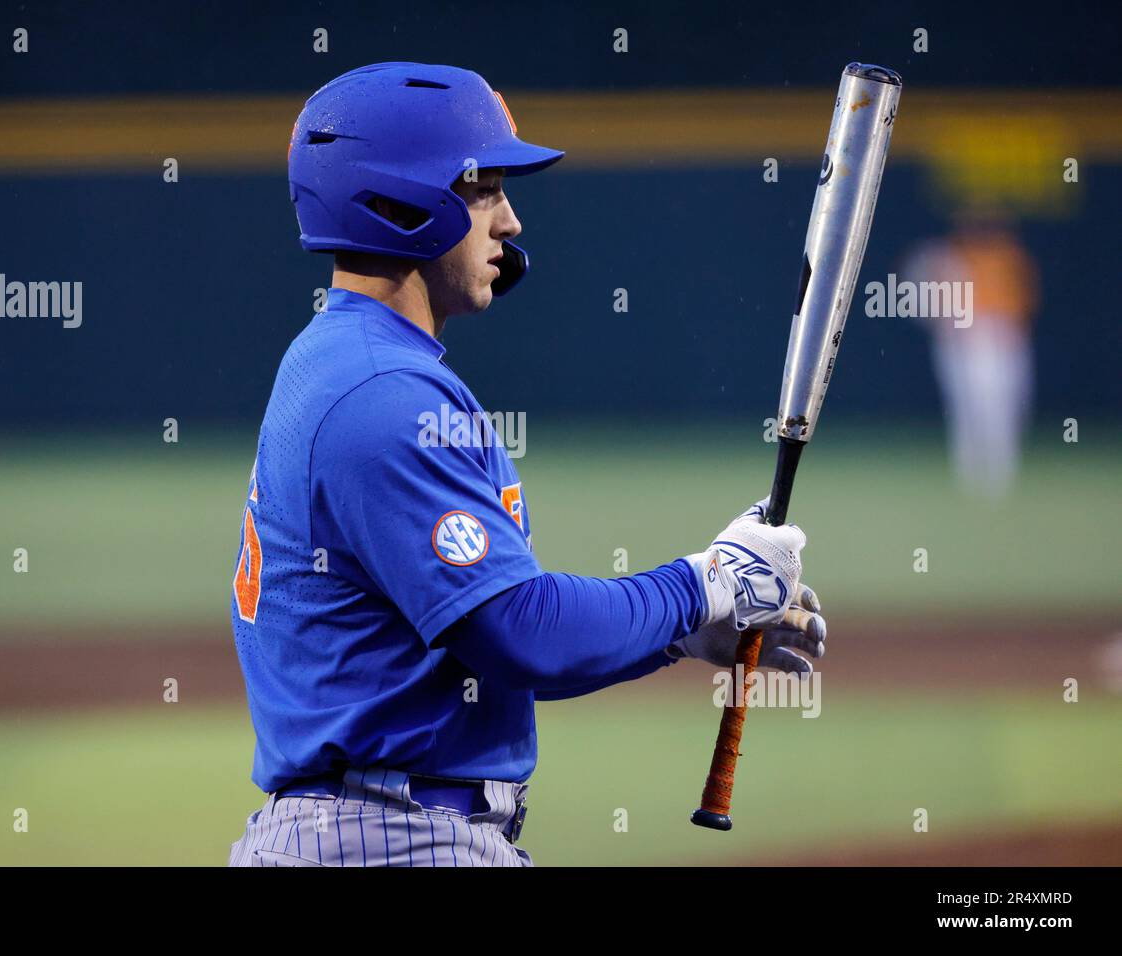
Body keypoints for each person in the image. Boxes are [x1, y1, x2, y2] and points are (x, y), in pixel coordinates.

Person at [226, 62, 826, 867]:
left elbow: (491, 640)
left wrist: (684, 632)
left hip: (367, 831)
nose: (508, 219)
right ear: (404, 201)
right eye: (484, 186)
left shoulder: (339, 360)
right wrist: (706, 582)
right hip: (392, 840)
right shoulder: (383, 395)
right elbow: (521, 634)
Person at [901, 208, 1039, 499]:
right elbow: (928, 303)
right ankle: (972, 474)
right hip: (968, 341)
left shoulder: (1007, 257)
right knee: (968, 408)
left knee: (1003, 408)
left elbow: (1022, 303)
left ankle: (1000, 473)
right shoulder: (950, 260)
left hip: (1001, 336)